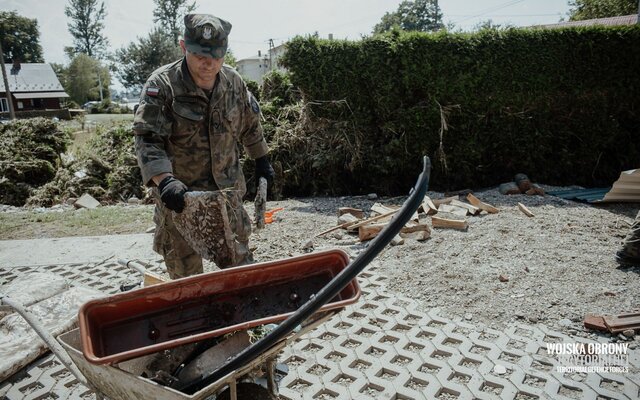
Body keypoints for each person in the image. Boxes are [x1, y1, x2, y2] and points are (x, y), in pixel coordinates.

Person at [133, 14, 275, 279]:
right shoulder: (162, 85)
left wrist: (261, 161)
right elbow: (148, 139)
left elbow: (250, 124)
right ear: (183, 47)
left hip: (227, 192)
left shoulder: (234, 83)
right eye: (200, 56)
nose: (209, 64)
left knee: (240, 267)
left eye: (217, 56)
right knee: (187, 277)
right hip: (180, 197)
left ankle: (244, 316)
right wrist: (164, 181)